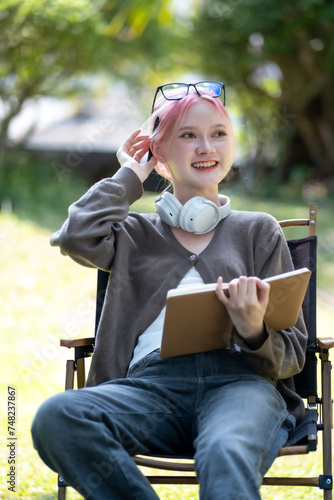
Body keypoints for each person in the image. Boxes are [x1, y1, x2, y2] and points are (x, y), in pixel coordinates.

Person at [32, 81, 307, 500]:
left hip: (241, 385)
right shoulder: (132, 233)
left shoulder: (258, 230)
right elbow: (75, 237)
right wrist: (130, 174)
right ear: (157, 153)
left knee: (225, 449)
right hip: (149, 388)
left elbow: (293, 353)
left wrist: (253, 331)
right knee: (57, 416)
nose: (205, 147)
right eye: (188, 135)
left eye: (218, 134)